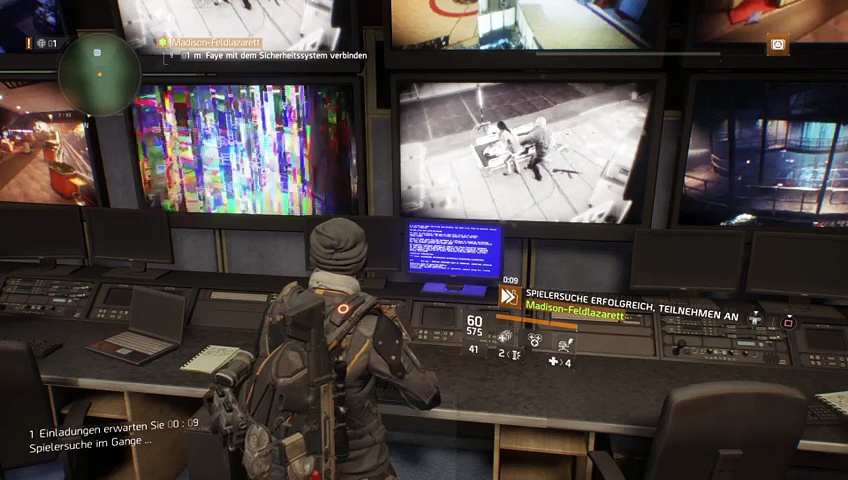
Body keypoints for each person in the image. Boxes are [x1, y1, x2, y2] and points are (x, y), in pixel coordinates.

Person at [307, 218, 441, 480]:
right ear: (362, 262)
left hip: (295, 461)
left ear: (313, 257)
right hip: (357, 465)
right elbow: (426, 396)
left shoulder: (280, 310)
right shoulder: (370, 326)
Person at [521, 116, 553, 181]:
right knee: (533, 155)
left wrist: (520, 142)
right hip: (547, 149)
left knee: (534, 164)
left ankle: (538, 177)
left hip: (541, 153)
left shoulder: (537, 132)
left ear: (537, 124)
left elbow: (525, 141)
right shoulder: (547, 129)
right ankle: (530, 165)